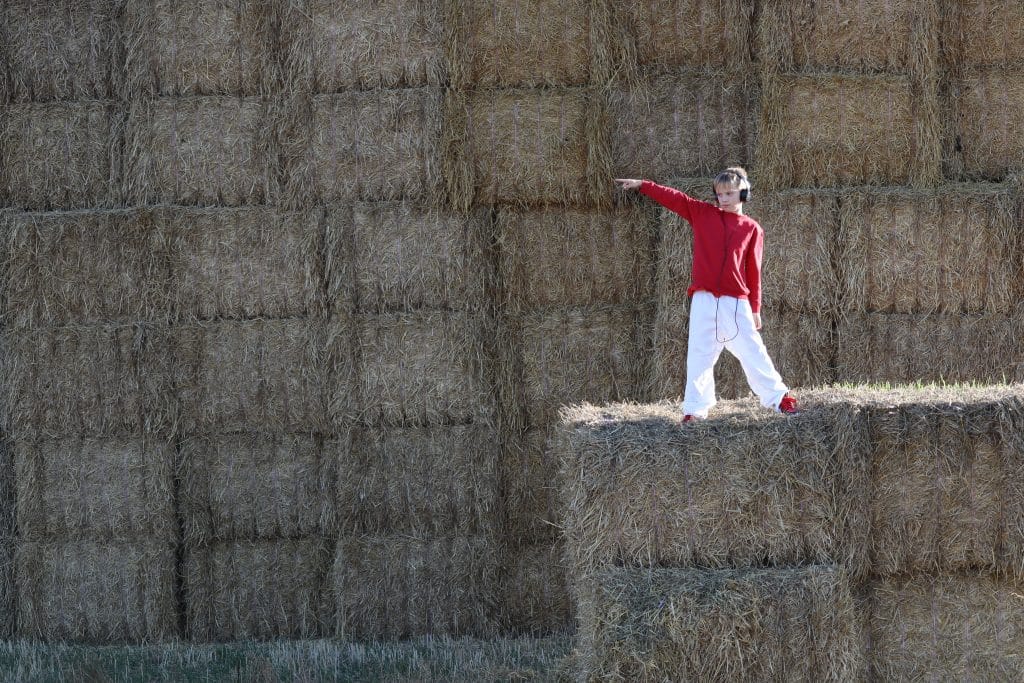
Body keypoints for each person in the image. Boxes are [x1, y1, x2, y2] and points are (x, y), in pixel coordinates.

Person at [615, 168, 798, 420]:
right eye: (720, 193)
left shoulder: (752, 228)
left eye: (729, 193)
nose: (723, 198)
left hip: (736, 302)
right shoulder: (702, 214)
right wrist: (644, 184)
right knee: (699, 354)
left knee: (753, 351)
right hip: (703, 299)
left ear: (743, 193)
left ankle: (780, 398)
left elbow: (753, 272)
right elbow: (676, 198)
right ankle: (695, 410)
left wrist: (755, 308)